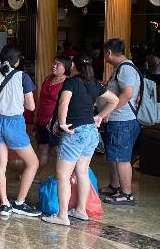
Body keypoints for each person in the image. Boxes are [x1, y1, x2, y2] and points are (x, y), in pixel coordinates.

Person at [42, 55, 119, 226]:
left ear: (73, 66)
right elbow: (114, 100)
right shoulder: (95, 83)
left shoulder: (71, 82)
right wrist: (99, 116)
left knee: (63, 175)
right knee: (82, 172)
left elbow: (64, 103)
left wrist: (62, 123)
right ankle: (81, 210)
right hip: (91, 132)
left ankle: (62, 215)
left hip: (75, 132)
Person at [0, 45, 41, 218]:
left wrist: (1, 103)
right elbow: (31, 106)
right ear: (17, 61)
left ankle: (5, 204)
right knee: (33, 163)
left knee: (0, 164)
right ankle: (20, 203)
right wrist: (14, 101)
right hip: (13, 123)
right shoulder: (23, 77)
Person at [100, 38, 141, 205]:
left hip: (123, 121)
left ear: (109, 52)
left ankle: (126, 194)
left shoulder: (125, 69)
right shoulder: (122, 68)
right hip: (119, 120)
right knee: (114, 156)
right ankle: (115, 187)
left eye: (104, 53)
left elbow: (127, 94)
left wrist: (108, 111)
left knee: (122, 158)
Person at [35, 56, 71, 178]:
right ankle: (33, 176)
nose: (54, 66)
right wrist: (36, 116)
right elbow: (40, 100)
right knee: (43, 152)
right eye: (54, 63)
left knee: (61, 153)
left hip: (56, 124)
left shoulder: (68, 83)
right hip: (42, 121)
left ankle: (66, 179)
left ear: (66, 67)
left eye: (58, 64)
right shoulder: (47, 79)